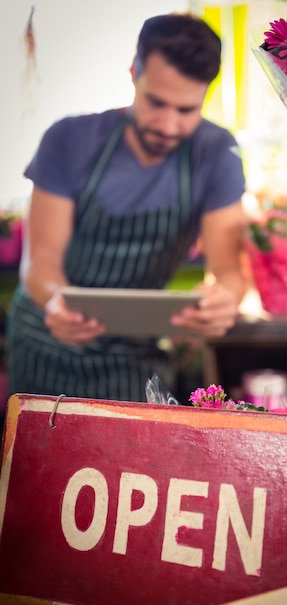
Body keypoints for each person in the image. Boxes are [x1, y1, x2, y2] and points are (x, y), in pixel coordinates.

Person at [6, 12, 246, 402]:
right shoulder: (68, 139)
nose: (168, 125)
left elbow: (230, 272)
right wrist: (56, 301)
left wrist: (224, 301)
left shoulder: (216, 152)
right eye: (156, 102)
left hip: (135, 357)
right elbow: (40, 263)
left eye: (186, 110)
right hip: (47, 344)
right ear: (134, 72)